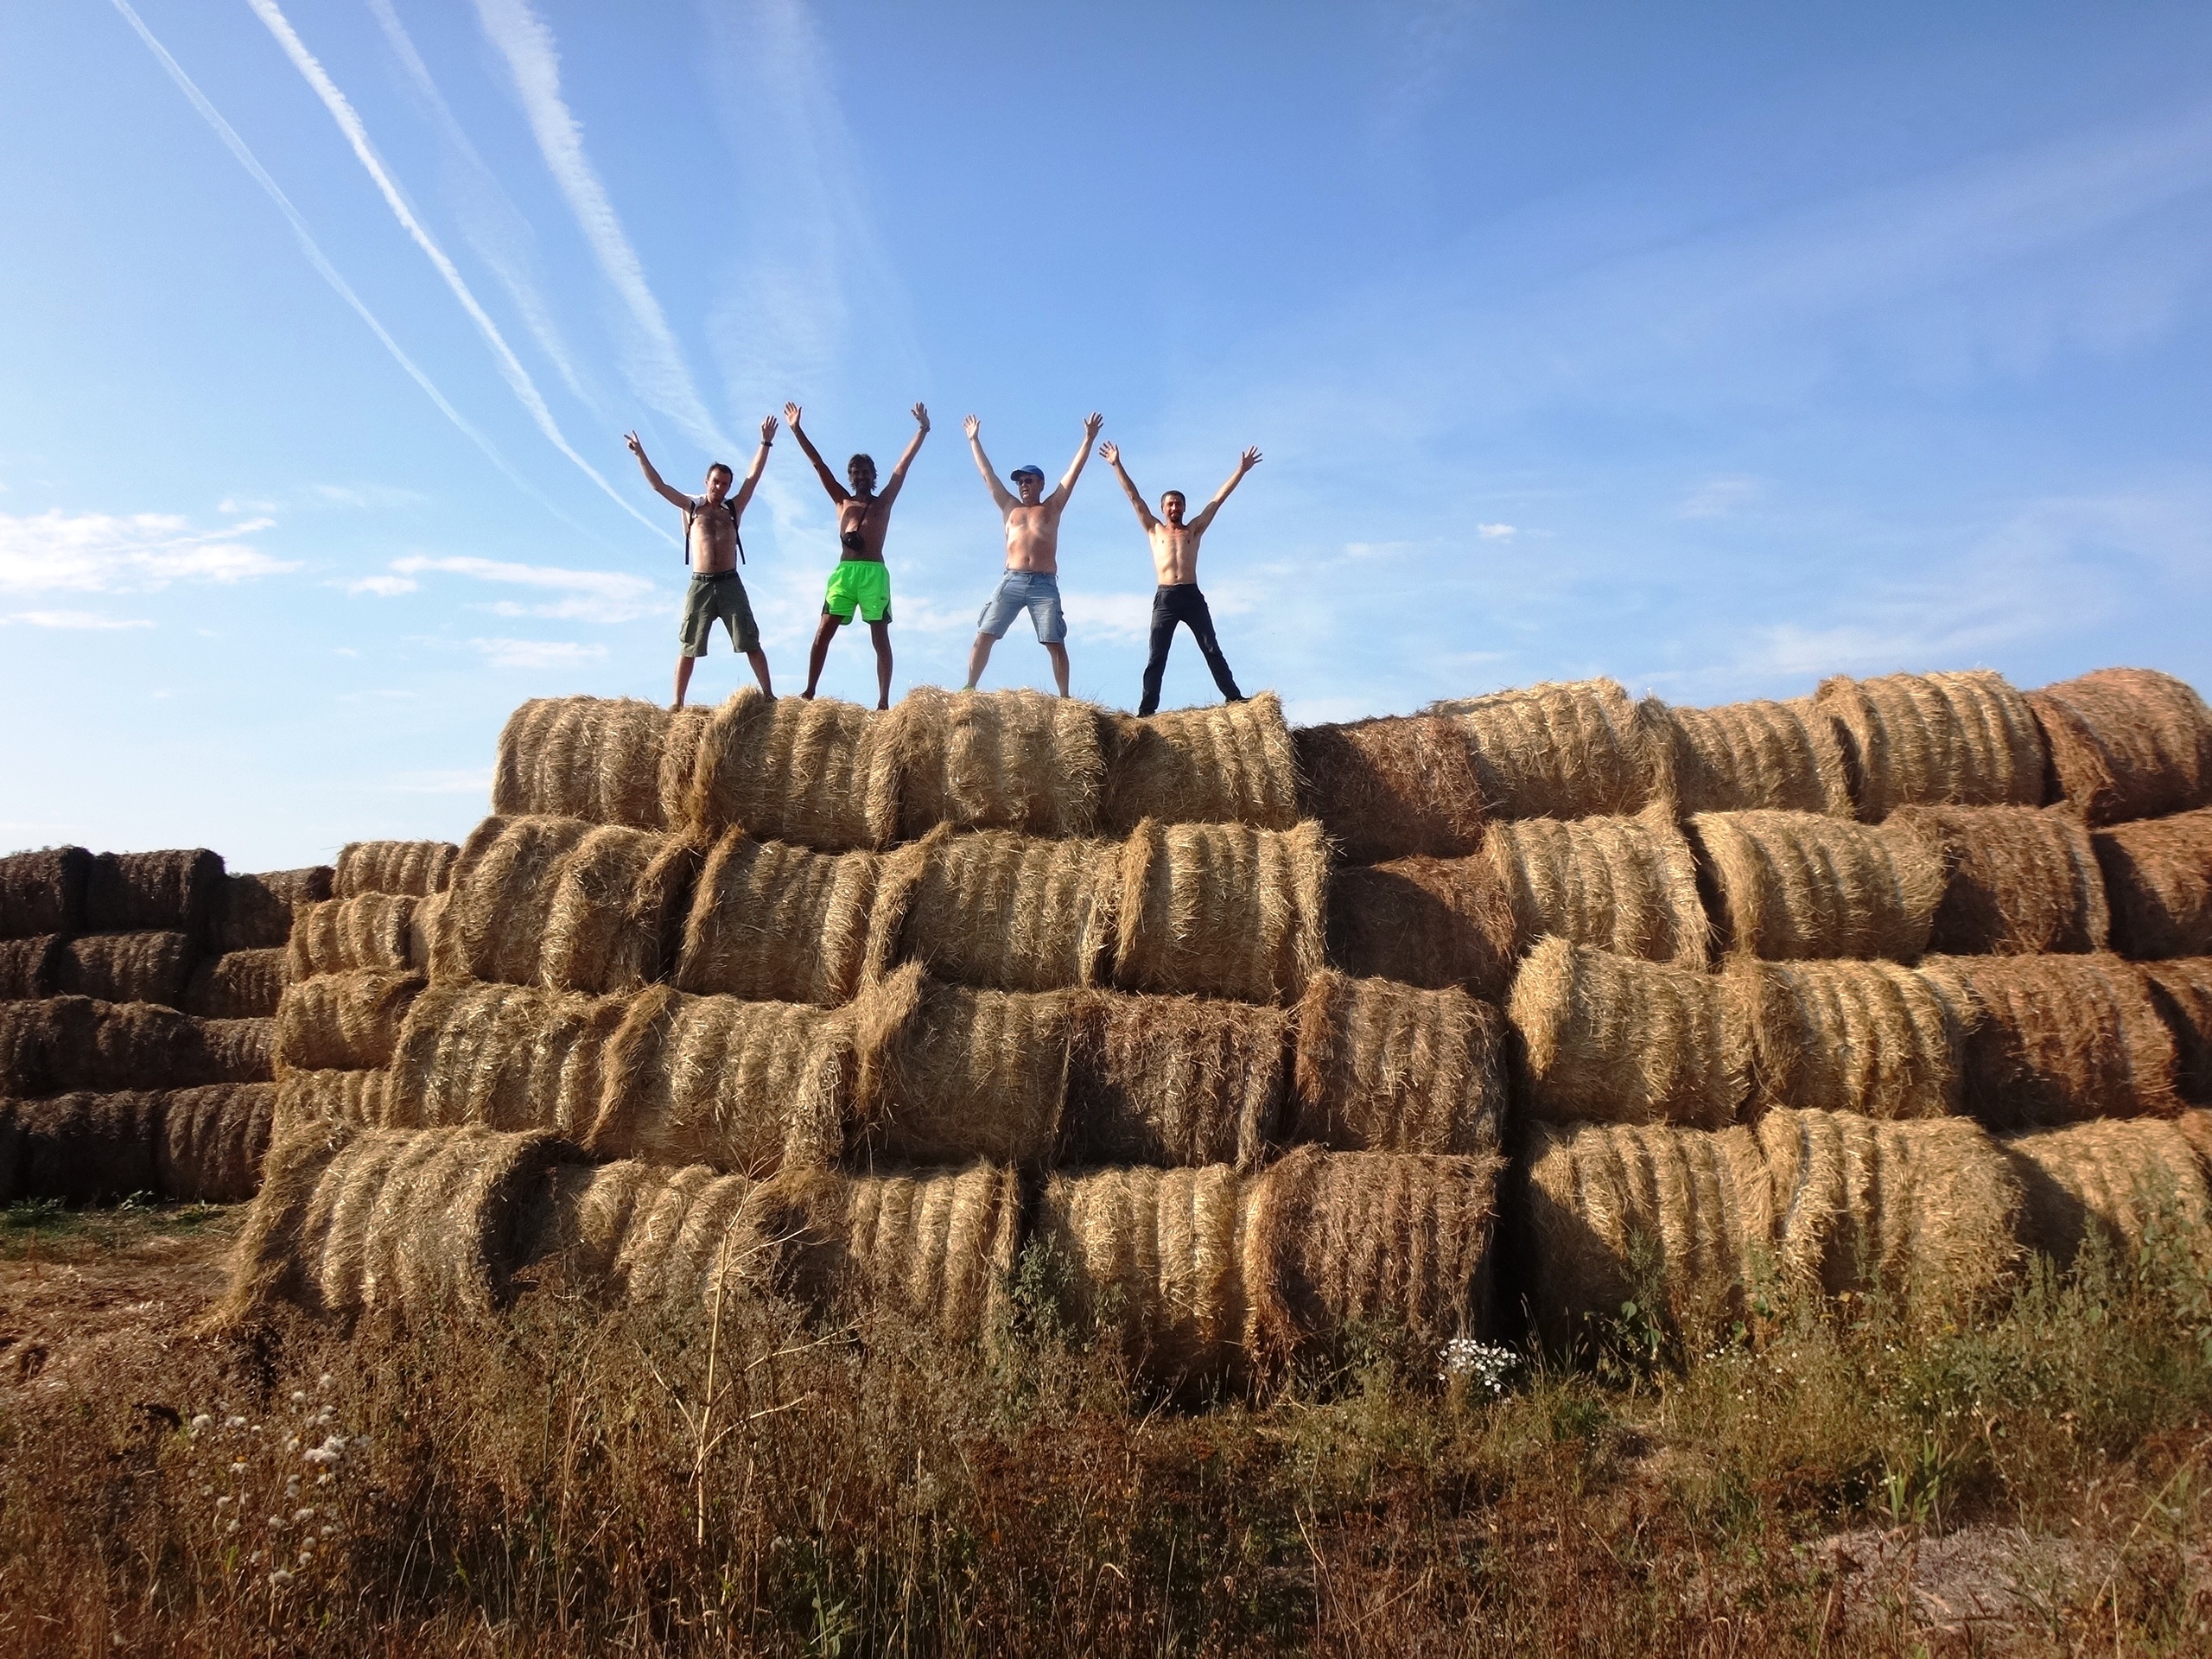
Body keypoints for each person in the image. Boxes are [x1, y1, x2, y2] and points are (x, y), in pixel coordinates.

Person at [784, 401, 929, 709]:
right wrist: (797, 430)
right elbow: (818, 465)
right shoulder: (842, 501)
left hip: (873, 573)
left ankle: (883, 701)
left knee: (880, 637)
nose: (861, 476)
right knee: (823, 631)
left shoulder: (883, 503)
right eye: (855, 472)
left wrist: (923, 429)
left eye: (865, 471)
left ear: (873, 474)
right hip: (845, 574)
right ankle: (809, 690)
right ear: (850, 476)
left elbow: (902, 466)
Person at [1100, 439, 1261, 717]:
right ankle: (1147, 710)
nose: (1174, 509)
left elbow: (1217, 500)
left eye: (1178, 505)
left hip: (1191, 595)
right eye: (1170, 505)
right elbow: (1134, 497)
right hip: (1165, 598)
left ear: (1184, 508)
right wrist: (1116, 464)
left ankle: (1233, 697)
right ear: (1163, 509)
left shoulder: (1193, 530)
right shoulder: (1155, 530)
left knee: (1211, 648)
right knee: (1157, 656)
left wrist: (1241, 470)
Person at [626, 420, 777, 709]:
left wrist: (765, 443)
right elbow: (659, 486)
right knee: (688, 646)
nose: (720, 487)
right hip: (701, 584)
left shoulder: (733, 508)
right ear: (706, 482)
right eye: (715, 482)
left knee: (750, 640)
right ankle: (677, 703)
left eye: (725, 484)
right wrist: (640, 454)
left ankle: (769, 695)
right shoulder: (692, 507)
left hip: (731, 583)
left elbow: (753, 477)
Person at [962, 411, 1103, 696]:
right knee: (985, 633)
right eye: (1020, 482)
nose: (1023, 485)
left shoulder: (1052, 506)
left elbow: (1071, 476)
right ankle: (969, 687)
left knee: (1055, 641)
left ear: (1040, 483)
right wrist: (974, 440)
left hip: (1043, 584)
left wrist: (1088, 439)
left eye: (1028, 480)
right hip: (1012, 579)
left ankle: (1065, 698)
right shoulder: (1009, 507)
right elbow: (988, 477)